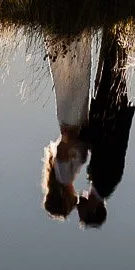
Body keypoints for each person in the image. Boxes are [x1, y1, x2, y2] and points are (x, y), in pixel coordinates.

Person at [76, 28, 135, 228]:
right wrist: (83, 136)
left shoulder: (100, 183)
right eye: (83, 213)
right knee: (113, 67)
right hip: (111, 113)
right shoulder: (105, 181)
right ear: (94, 209)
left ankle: (114, 30)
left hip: (108, 112)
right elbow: (106, 145)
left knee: (110, 67)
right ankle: (116, 29)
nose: (78, 210)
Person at [41, 32, 92, 220]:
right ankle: (69, 35)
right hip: (70, 121)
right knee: (72, 79)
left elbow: (63, 149)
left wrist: (74, 136)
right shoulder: (63, 177)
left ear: (63, 198)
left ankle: (72, 36)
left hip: (72, 122)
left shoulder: (64, 177)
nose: (74, 203)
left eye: (70, 205)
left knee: (76, 77)